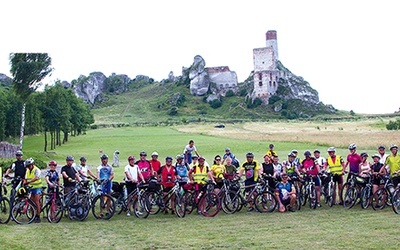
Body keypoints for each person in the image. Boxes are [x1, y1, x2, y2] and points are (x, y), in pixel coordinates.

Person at [24, 158, 42, 223]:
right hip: (30, 187)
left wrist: (28, 182)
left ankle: (38, 216)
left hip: (37, 187)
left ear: (32, 164)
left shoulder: (37, 170)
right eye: (27, 166)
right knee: (31, 202)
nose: (28, 167)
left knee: (36, 201)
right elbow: (25, 178)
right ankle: (33, 215)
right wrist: (24, 183)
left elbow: (36, 178)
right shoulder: (27, 170)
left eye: (29, 166)